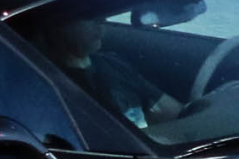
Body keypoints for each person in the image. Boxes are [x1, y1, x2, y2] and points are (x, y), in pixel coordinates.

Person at [38, 14, 181, 131]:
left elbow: (174, 113)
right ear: (54, 26)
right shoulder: (45, 84)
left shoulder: (112, 63)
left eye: (100, 13)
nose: (102, 20)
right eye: (88, 15)